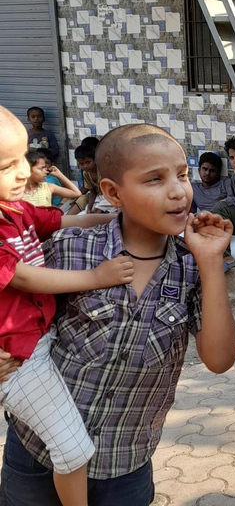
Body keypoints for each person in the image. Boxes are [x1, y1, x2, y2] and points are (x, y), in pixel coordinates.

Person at [0, 123, 235, 506]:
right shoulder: (72, 250)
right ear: (113, 192)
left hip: (124, 466)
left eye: (182, 175)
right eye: (155, 180)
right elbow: (11, 297)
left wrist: (211, 263)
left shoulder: (192, 268)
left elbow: (219, 359)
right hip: (37, 453)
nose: (178, 191)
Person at [0, 105, 134, 506]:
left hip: (38, 344)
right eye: (6, 167)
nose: (24, 173)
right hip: (19, 358)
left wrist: (121, 217)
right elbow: (22, 276)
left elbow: (65, 222)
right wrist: (97, 277)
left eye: (22, 159)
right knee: (73, 450)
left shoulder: (16, 209)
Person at [67, 144, 103, 215]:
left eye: (88, 162)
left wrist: (98, 209)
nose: (85, 166)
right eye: (81, 164)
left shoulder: (102, 171)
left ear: (95, 160)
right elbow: (92, 192)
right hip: (98, 197)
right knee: (87, 211)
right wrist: (89, 208)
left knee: (99, 208)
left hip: (108, 197)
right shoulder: (86, 173)